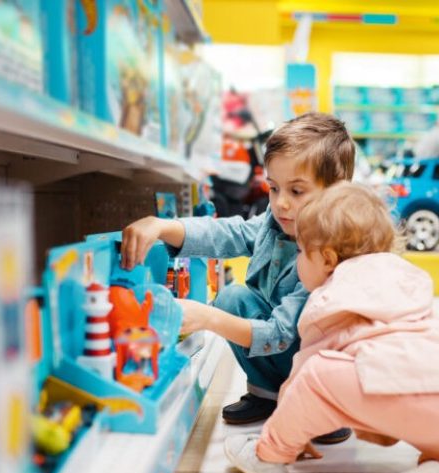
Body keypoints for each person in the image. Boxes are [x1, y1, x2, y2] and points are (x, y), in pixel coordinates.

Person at [223, 183, 439, 473]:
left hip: (413, 398)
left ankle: (268, 457)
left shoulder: (331, 294)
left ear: (327, 259)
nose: (297, 261)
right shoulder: (402, 276)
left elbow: (307, 377)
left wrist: (290, 431)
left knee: (317, 373)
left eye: (300, 253)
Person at [120, 112, 355, 443]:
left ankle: (322, 408)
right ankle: (267, 393)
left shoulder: (329, 256)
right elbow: (228, 232)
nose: (281, 203)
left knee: (228, 310)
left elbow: (281, 333)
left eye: (297, 191)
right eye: (273, 188)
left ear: (335, 192)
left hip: (320, 358)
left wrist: (209, 319)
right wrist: (163, 226)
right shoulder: (275, 224)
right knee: (233, 298)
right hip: (288, 347)